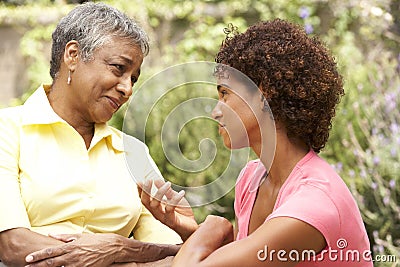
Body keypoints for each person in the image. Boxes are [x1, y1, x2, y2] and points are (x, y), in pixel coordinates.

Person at [138, 19, 373, 266]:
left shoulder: (313, 204)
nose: (216, 111)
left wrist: (212, 229)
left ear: (263, 93)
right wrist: (189, 230)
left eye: (224, 93)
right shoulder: (252, 179)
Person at [0, 2, 183, 267]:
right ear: (73, 55)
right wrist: (117, 253)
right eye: (119, 68)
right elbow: (14, 244)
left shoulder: (133, 152)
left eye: (133, 78)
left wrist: (119, 249)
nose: (127, 89)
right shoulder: (8, 129)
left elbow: (170, 249)